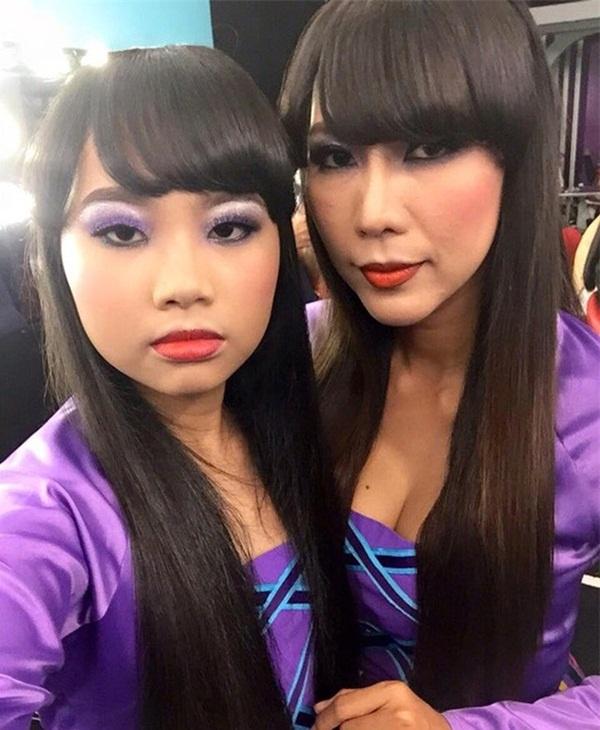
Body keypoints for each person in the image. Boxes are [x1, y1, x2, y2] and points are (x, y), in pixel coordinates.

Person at [0, 46, 356, 730]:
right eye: (121, 231)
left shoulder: (305, 400)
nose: (183, 284)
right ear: (54, 253)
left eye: (229, 227)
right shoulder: (46, 512)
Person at [280, 1, 600, 727]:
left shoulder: (585, 404)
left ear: (514, 156)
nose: (372, 212)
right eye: (335, 157)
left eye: (428, 148)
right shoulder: (290, 358)